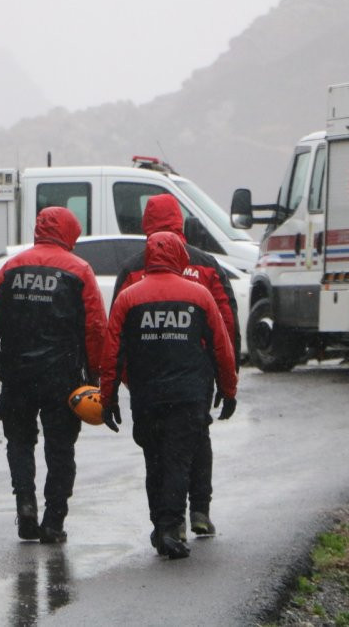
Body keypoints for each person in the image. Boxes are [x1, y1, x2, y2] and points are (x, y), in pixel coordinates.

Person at [100, 231, 237, 559]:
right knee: (177, 458)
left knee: (154, 460)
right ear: (180, 257)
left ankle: (161, 524)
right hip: (189, 394)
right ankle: (171, 527)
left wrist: (108, 399)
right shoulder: (199, 296)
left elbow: (112, 352)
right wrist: (227, 390)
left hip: (147, 395)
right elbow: (221, 347)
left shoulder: (128, 298)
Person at [0, 206, 107, 544]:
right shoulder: (79, 270)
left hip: (17, 374)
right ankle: (54, 520)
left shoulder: (12, 267)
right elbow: (94, 327)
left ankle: (25, 504)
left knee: (19, 442)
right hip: (61, 377)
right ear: (68, 234)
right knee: (60, 448)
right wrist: (96, 374)